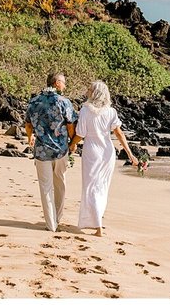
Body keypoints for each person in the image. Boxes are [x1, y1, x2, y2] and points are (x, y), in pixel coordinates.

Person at [69, 80, 139, 236]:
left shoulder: (85, 111)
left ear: (95, 93)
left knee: (90, 187)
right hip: (107, 152)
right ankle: (97, 220)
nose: (87, 91)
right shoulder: (111, 111)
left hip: (92, 152)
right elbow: (119, 134)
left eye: (89, 89)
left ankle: (97, 225)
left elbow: (80, 134)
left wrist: (71, 145)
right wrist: (130, 154)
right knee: (101, 187)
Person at [24, 72, 77, 232]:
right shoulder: (64, 102)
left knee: (45, 186)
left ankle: (51, 224)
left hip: (41, 150)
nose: (65, 85)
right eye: (63, 82)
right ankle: (57, 218)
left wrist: (29, 138)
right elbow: (70, 125)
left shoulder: (34, 101)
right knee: (60, 183)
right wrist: (72, 142)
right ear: (56, 83)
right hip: (60, 149)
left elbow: (28, 125)